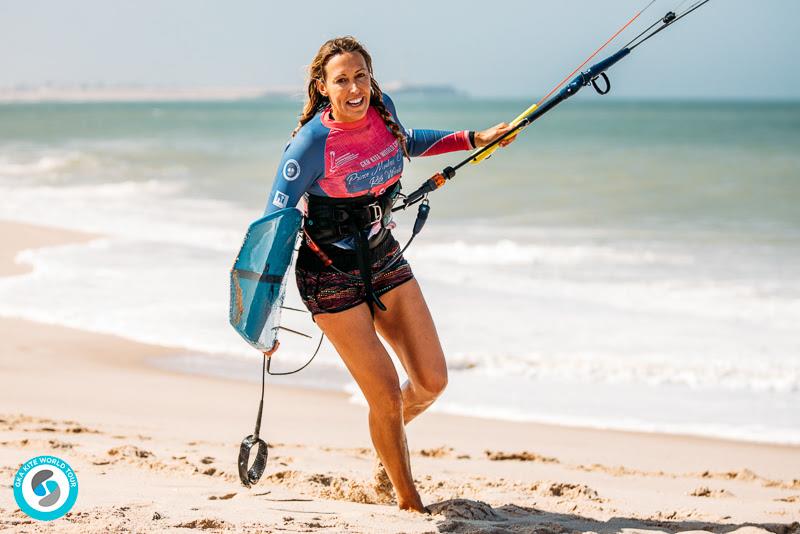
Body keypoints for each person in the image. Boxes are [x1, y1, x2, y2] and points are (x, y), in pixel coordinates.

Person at [263, 35, 514, 512]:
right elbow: (272, 227)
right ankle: (408, 501)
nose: (354, 88)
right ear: (323, 86)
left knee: (431, 382)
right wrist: (261, 320)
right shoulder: (309, 145)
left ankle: (388, 439)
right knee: (385, 396)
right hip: (329, 275)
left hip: (383, 256)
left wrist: (475, 139)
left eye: (361, 76)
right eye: (342, 80)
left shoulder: (382, 109)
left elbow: (409, 142)